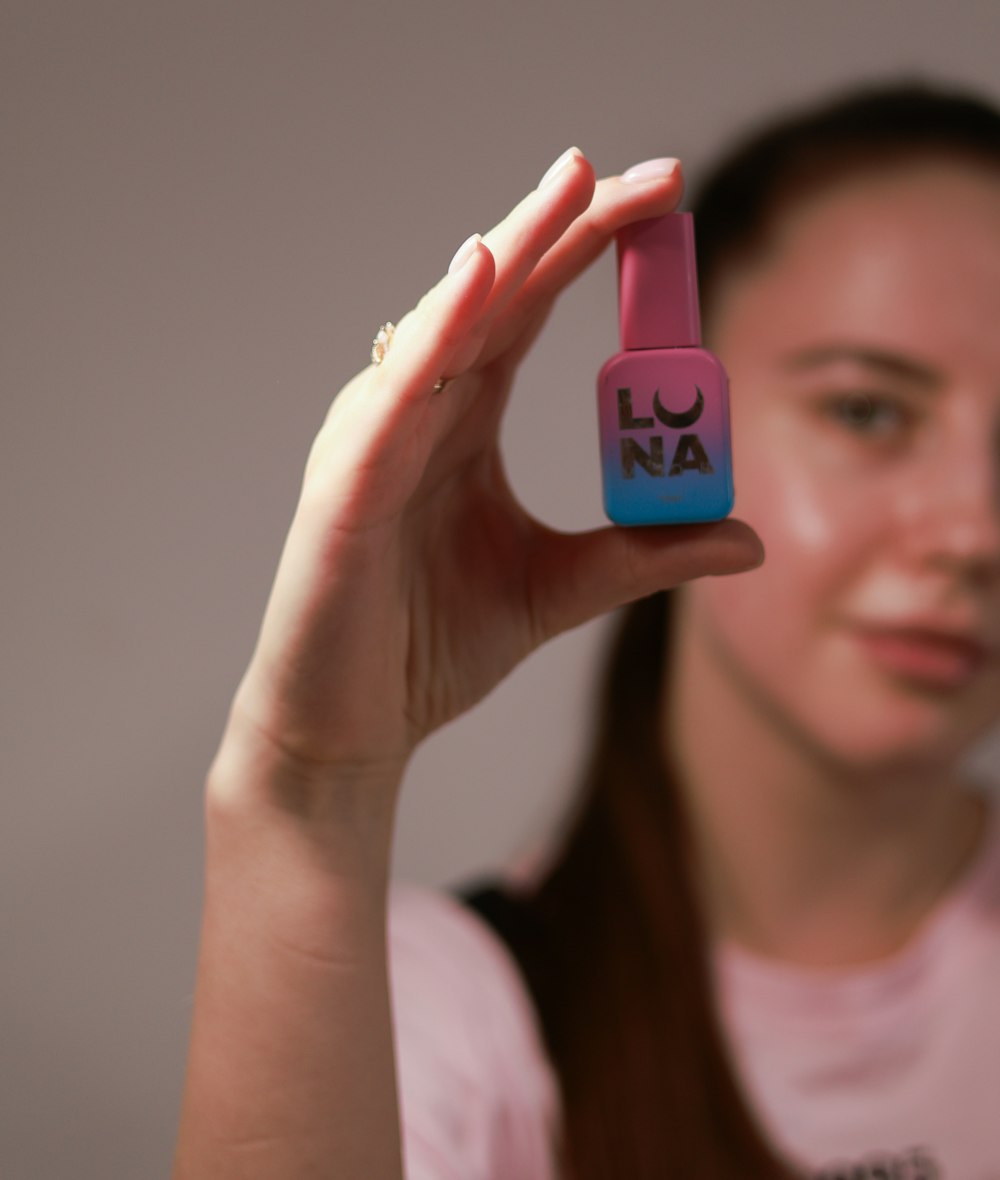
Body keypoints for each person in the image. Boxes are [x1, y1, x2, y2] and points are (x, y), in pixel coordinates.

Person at [172, 81, 1000, 1180]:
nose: (973, 530)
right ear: (684, 401)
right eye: (866, 410)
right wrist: (308, 795)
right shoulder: (439, 1019)